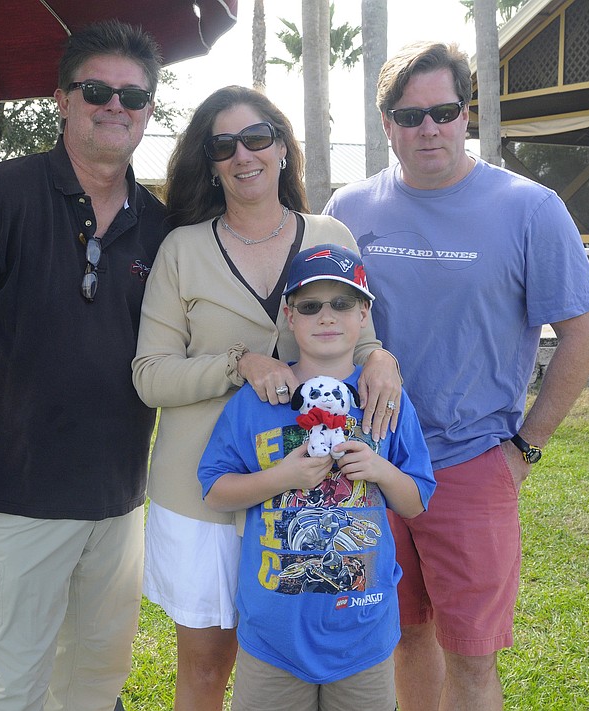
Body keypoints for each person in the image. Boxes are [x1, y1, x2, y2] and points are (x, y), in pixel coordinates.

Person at [323, 41, 589, 711]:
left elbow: (582, 334)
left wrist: (524, 448)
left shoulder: (528, 208)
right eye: (409, 115)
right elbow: (322, 324)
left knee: (473, 660)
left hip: (472, 465)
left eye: (443, 111)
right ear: (386, 122)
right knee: (400, 636)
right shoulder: (348, 210)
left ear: (466, 114)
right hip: (369, 463)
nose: (428, 129)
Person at [0, 20, 167, 711]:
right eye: (97, 90)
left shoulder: (160, 225)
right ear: (62, 98)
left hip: (118, 495)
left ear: (149, 111)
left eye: (133, 96)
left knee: (96, 676)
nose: (116, 106)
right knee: (12, 683)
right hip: (17, 494)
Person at [131, 86, 403, 710]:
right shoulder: (182, 249)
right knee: (205, 672)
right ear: (210, 160)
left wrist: (383, 358)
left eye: (257, 137)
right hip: (205, 501)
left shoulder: (329, 232)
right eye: (223, 144)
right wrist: (237, 364)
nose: (243, 155)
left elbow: (360, 334)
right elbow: (149, 375)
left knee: (301, 666)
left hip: (311, 508)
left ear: (282, 146)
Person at [197, 244, 436, 711]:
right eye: (310, 306)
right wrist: (282, 477)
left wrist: (380, 469)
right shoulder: (259, 401)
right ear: (290, 316)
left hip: (362, 632)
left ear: (364, 312)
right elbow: (214, 491)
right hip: (274, 637)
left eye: (342, 303)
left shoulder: (382, 399)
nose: (327, 317)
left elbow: (415, 501)